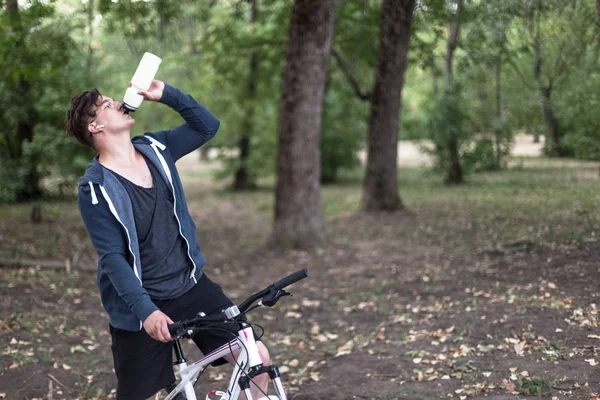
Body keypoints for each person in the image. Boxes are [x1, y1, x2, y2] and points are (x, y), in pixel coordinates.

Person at [66, 80, 271, 400]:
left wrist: (167, 95)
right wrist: (146, 312)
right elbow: (113, 259)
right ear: (95, 126)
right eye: (107, 104)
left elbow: (207, 126)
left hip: (191, 286)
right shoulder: (94, 188)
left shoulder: (156, 148)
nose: (119, 102)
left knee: (257, 359)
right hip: (140, 305)